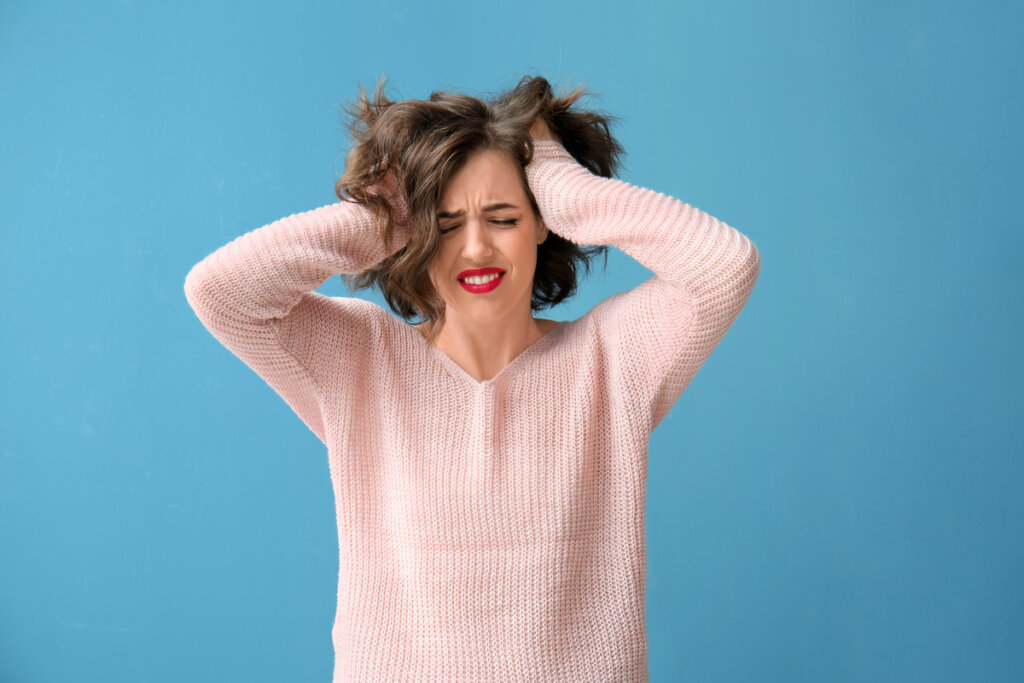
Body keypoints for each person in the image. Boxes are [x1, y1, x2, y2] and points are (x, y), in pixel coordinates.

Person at [184, 74, 761, 682]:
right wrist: (383, 215)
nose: (477, 248)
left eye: (504, 217)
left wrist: (563, 185)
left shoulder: (612, 358)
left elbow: (727, 265)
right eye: (447, 223)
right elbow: (220, 293)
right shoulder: (360, 359)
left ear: (542, 223)